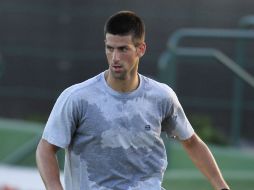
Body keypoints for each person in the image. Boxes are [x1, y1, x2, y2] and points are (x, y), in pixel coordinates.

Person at [36, 11, 230, 190]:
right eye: (109, 48)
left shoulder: (162, 96)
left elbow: (192, 143)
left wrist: (221, 187)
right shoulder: (76, 97)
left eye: (123, 49)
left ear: (141, 49)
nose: (115, 58)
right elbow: (46, 149)